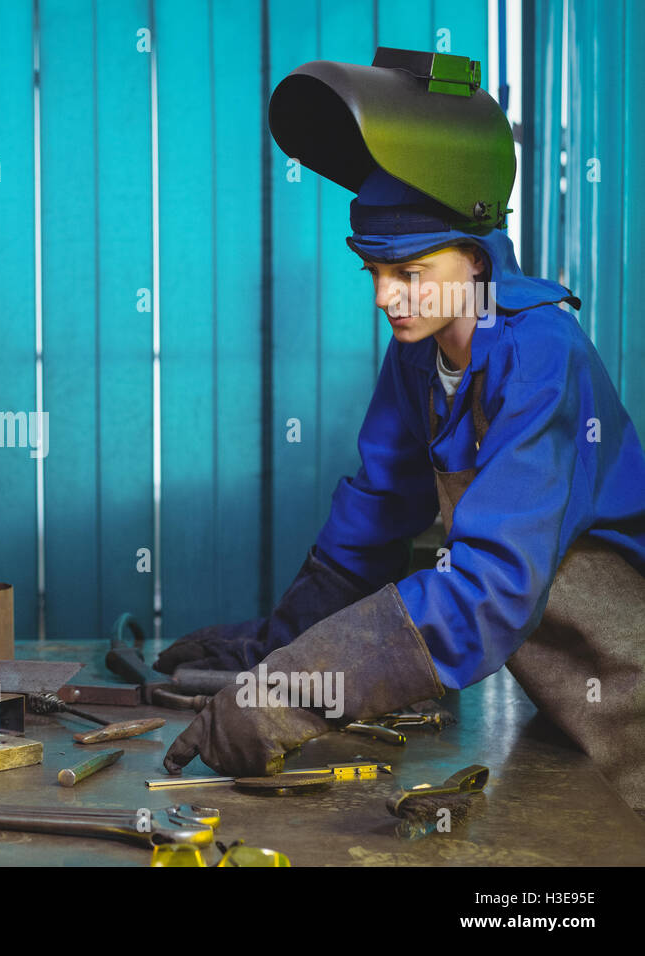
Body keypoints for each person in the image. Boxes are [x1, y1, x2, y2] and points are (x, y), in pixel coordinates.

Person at [158, 48, 645, 810]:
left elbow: (489, 589)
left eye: (408, 272)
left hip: (631, 696)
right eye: (372, 271)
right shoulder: (422, 353)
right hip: (557, 697)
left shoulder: (544, 357)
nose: (387, 298)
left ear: (477, 255)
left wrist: (291, 694)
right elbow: (376, 512)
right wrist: (277, 648)